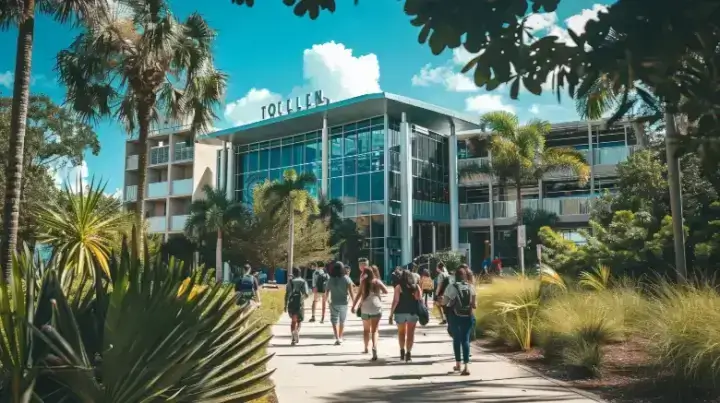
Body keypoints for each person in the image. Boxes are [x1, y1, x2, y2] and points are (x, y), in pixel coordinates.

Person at [443, 266, 477, 375]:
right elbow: (474, 305)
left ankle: (458, 364)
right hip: (468, 316)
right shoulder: (471, 287)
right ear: (465, 276)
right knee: (465, 340)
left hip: (455, 316)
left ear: (455, 276)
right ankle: (466, 367)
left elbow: (444, 302)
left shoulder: (451, 287)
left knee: (456, 339)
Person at [351, 266, 388, 360]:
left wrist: (353, 306)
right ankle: (374, 347)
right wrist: (378, 292)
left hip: (365, 308)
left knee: (366, 330)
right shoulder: (377, 281)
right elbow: (386, 291)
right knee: (375, 330)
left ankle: (366, 348)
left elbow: (358, 295)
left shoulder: (363, 283)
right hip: (376, 306)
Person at [389, 270, 422, 362]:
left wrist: (391, 314)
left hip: (400, 312)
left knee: (401, 333)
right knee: (410, 333)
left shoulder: (398, 287)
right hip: (412, 312)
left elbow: (395, 301)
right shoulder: (416, 287)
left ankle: (402, 352)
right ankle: (408, 353)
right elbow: (419, 299)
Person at [325, 261, 355, 345]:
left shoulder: (331, 279)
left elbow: (327, 291)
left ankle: (337, 337)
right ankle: (341, 337)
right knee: (342, 321)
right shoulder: (346, 278)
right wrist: (354, 303)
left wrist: (326, 300)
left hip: (334, 302)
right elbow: (351, 292)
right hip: (344, 303)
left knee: (334, 320)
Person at [284, 267, 309, 345]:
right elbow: (306, 294)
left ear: (293, 274)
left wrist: (285, 305)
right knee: (299, 320)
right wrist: (301, 299)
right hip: (300, 304)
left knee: (293, 321)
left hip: (291, 304)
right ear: (300, 273)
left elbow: (287, 294)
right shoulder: (303, 282)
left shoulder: (290, 282)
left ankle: (293, 338)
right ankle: (297, 331)